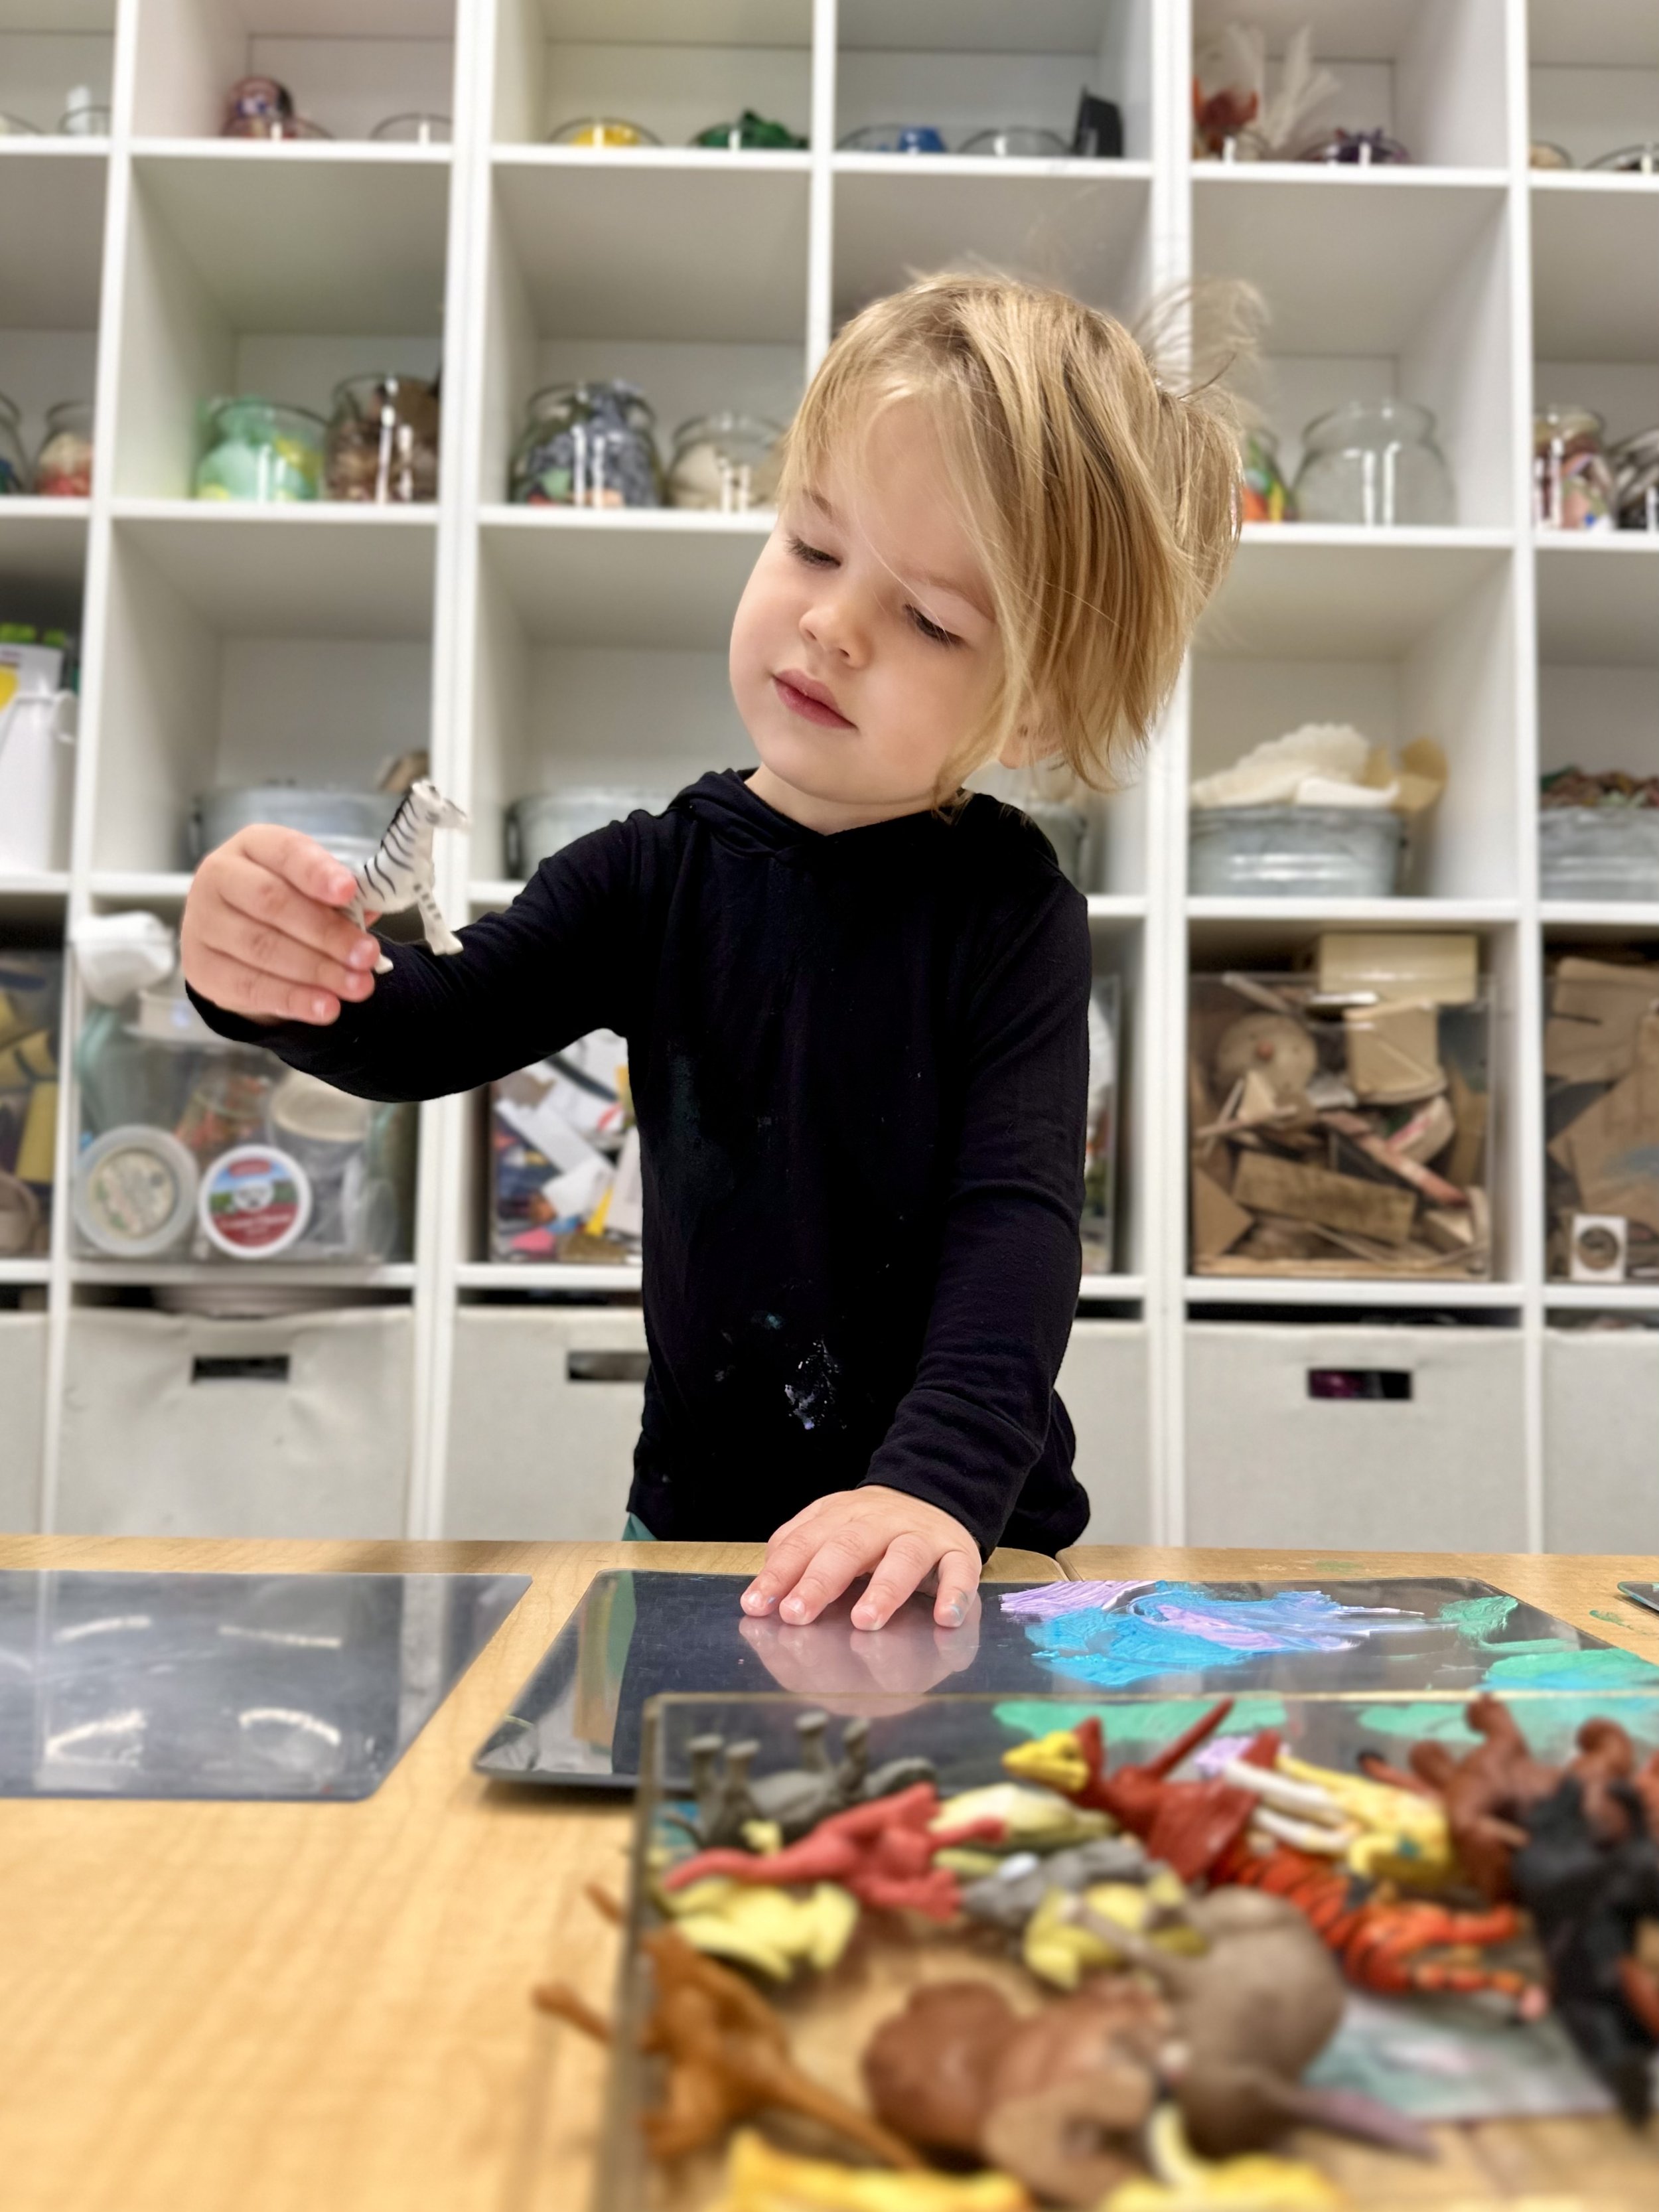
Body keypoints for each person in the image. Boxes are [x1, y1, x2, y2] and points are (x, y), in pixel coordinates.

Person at [180, 272, 1242, 1635]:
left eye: (927, 619)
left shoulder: (1011, 911)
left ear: (1029, 706)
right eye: (810, 544)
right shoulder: (650, 870)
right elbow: (420, 1026)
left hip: (959, 1539)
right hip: (696, 1534)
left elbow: (1016, 1225)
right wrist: (257, 967)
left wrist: (930, 1490)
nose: (830, 622)